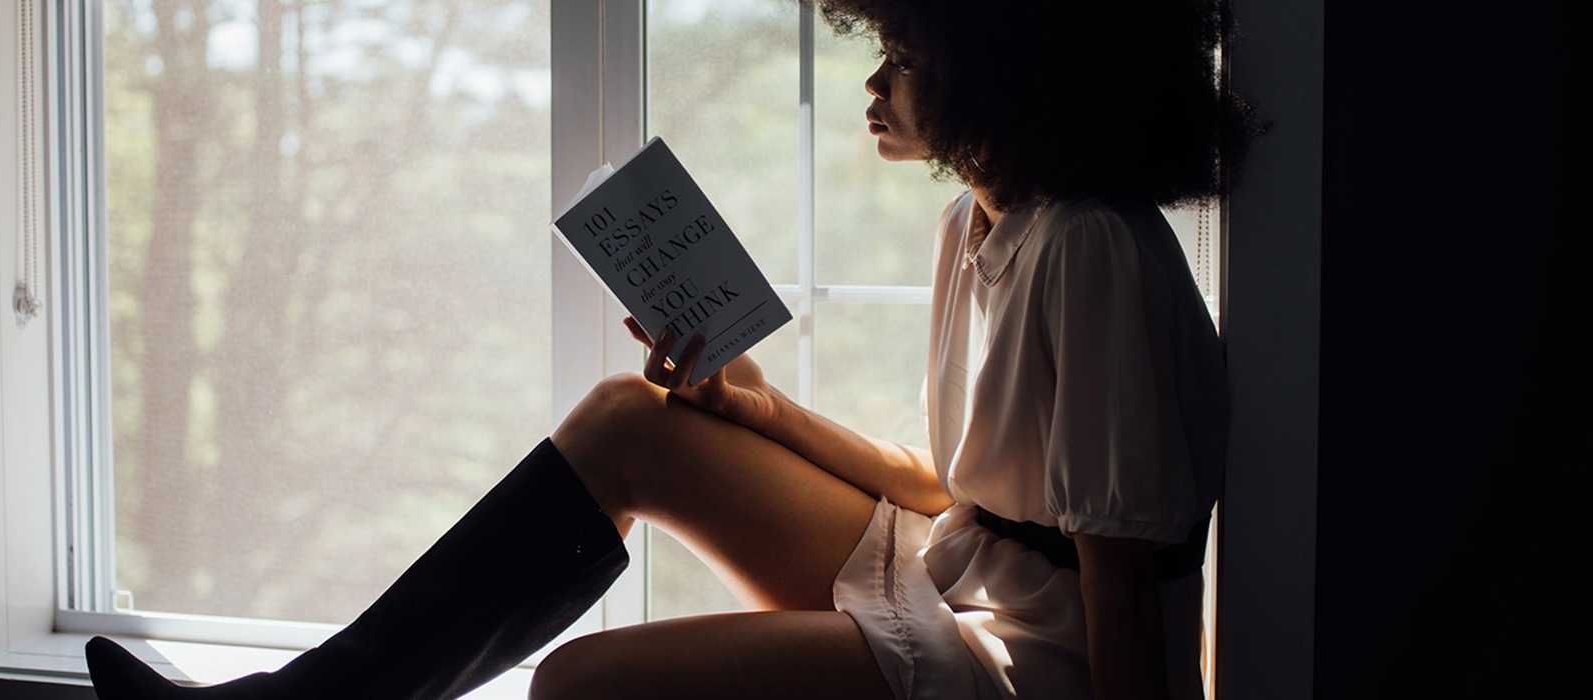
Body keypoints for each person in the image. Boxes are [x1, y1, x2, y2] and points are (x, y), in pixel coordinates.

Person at [85, 0, 1255, 698]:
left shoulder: (1092, 246)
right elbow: (953, 486)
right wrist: (756, 409)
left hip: (1032, 663)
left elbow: (1121, 567)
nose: (873, 78)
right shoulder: (980, 223)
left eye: (904, 55)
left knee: (574, 686)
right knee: (625, 420)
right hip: (959, 567)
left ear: (1001, 71)